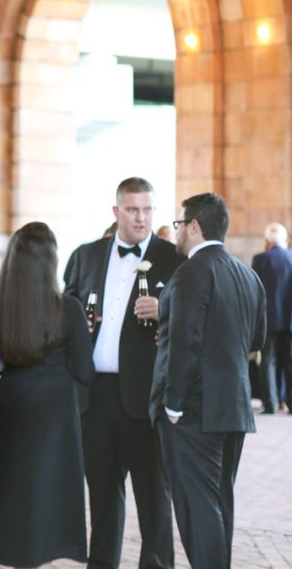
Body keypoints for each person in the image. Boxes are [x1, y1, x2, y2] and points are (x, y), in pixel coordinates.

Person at [63, 176, 181, 569]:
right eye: (132, 210)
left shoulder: (173, 258)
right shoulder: (86, 255)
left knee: (154, 498)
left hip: (146, 397)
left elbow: (195, 317)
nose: (141, 218)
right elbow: (67, 308)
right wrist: (79, 324)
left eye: (147, 209)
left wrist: (165, 310)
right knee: (101, 496)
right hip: (95, 396)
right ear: (116, 212)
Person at [150, 193, 266, 568]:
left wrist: (172, 404)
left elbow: (185, 341)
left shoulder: (191, 272)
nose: (178, 232)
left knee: (197, 507)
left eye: (180, 225)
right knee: (219, 503)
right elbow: (257, 339)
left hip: (194, 411)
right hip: (234, 405)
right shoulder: (248, 274)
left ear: (194, 226)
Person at [0, 222, 94, 565]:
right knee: (50, 484)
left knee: (16, 484)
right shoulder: (68, 309)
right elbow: (85, 371)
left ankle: (17, 552)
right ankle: (47, 550)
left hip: (14, 400)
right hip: (55, 405)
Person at [250, 223, 292, 414]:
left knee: (267, 361)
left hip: (268, 320)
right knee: (289, 362)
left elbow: (254, 292)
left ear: (267, 241)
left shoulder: (260, 259)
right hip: (290, 321)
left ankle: (270, 404)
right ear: (285, 240)